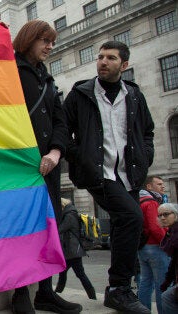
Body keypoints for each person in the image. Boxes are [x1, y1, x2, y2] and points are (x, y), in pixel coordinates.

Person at [63, 40, 155, 313]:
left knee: (120, 224)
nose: (103, 61)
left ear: (124, 65)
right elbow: (62, 130)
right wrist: (81, 157)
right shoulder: (81, 93)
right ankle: (119, 288)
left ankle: (117, 289)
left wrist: (145, 156)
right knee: (131, 216)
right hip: (99, 174)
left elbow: (147, 132)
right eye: (100, 57)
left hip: (130, 174)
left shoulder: (135, 96)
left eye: (111, 58)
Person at [10, 20, 82, 314]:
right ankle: (20, 292)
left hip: (48, 167)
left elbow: (60, 120)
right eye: (45, 40)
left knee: (46, 228)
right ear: (29, 40)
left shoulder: (48, 79)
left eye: (52, 41)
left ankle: (45, 292)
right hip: (19, 166)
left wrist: (55, 151)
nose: (50, 46)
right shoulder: (8, 70)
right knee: (20, 228)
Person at [138, 175, 169, 313]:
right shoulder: (151, 202)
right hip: (155, 247)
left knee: (145, 282)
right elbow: (155, 227)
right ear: (149, 186)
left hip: (143, 247)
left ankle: (144, 310)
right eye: (159, 184)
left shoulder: (138, 200)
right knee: (162, 283)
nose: (163, 186)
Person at [55, 198, 96, 300]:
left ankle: (92, 295)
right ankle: (57, 292)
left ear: (62, 206)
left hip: (73, 251)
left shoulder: (69, 215)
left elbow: (60, 229)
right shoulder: (71, 213)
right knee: (63, 272)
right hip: (71, 251)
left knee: (80, 274)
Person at [159, 203, 178, 313]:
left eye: (166, 214)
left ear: (175, 214)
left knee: (167, 297)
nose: (162, 218)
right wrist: (167, 281)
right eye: (160, 215)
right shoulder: (171, 231)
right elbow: (174, 260)